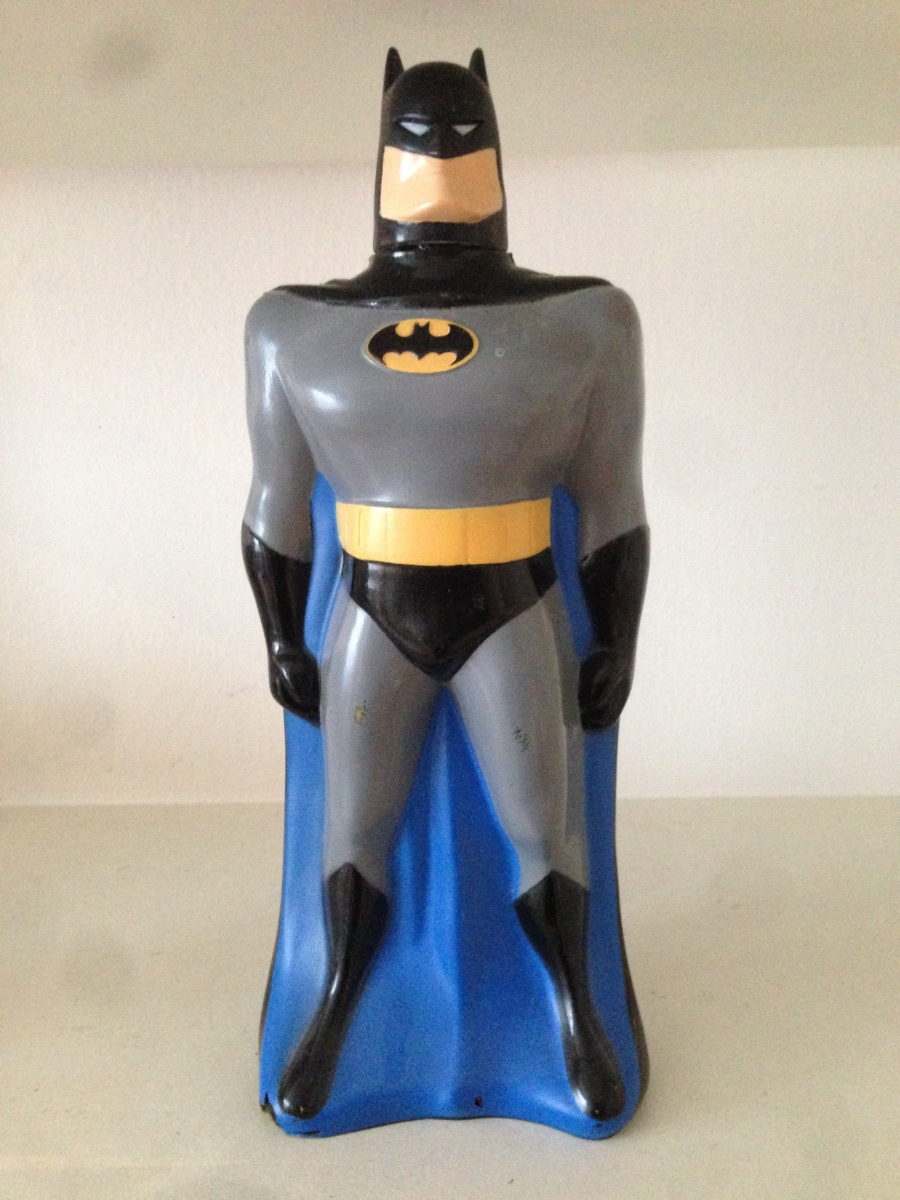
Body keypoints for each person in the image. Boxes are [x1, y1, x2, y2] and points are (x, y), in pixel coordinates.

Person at [243, 48, 649, 1127]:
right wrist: (281, 634)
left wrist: (617, 637)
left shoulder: (587, 320)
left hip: (511, 602)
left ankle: (574, 1014)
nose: (440, 154)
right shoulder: (293, 324)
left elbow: (613, 501)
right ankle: (335, 1012)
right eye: (418, 138)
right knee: (356, 825)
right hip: (375, 605)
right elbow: (274, 508)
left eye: (462, 137)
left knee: (543, 822)